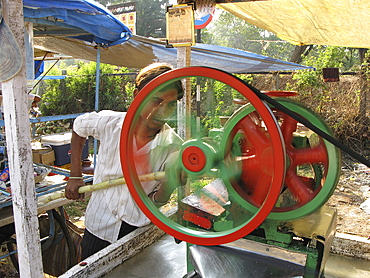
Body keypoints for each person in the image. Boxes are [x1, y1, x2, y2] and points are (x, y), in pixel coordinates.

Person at [65, 63, 184, 260]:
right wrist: (75, 174)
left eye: (170, 104)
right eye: (156, 101)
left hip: (137, 232)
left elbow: (155, 202)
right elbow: (79, 127)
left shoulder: (173, 147)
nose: (163, 111)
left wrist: (169, 185)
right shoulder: (110, 124)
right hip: (98, 226)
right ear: (137, 95)